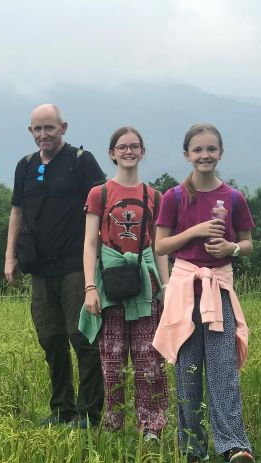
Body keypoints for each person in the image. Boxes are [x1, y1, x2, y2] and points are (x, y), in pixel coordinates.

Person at [152, 123, 255, 463]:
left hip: (219, 290)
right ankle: (192, 447)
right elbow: (161, 246)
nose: (205, 155)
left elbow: (247, 243)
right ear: (187, 155)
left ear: (221, 153)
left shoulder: (234, 198)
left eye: (211, 149)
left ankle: (234, 445)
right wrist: (195, 231)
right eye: (198, 150)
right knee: (188, 368)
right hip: (185, 290)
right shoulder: (174, 197)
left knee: (224, 369)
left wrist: (231, 248)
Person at [5, 104, 106, 427]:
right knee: (50, 339)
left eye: (50, 128)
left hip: (76, 265)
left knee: (82, 338)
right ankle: (62, 408)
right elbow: (17, 212)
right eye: (38, 129)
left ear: (64, 127)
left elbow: (102, 207)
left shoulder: (81, 162)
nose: (44, 134)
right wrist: (10, 256)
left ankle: (89, 412)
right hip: (39, 267)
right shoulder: (25, 165)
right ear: (30, 132)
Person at [79, 127, 170, 440]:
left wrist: (167, 288)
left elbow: (159, 246)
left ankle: (152, 427)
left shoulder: (154, 196)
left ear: (142, 151)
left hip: (146, 285)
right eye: (122, 147)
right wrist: (90, 287)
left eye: (134, 146)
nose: (128, 151)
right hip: (109, 283)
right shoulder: (99, 194)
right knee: (112, 358)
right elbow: (90, 244)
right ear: (112, 153)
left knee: (150, 359)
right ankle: (113, 424)